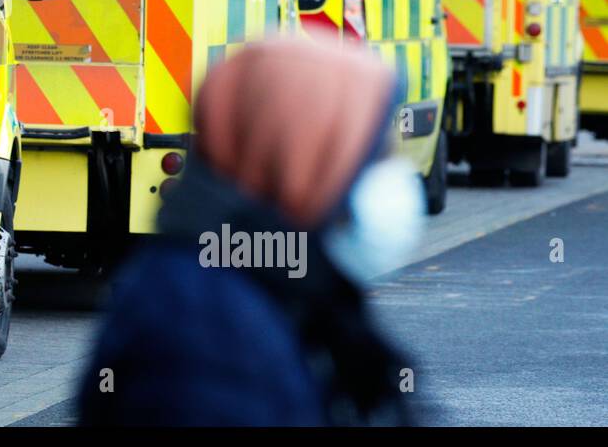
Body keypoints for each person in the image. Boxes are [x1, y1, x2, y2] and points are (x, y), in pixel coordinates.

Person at [78, 39, 424, 426]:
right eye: (375, 156)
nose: (393, 175)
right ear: (298, 155)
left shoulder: (262, 278)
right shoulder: (208, 326)